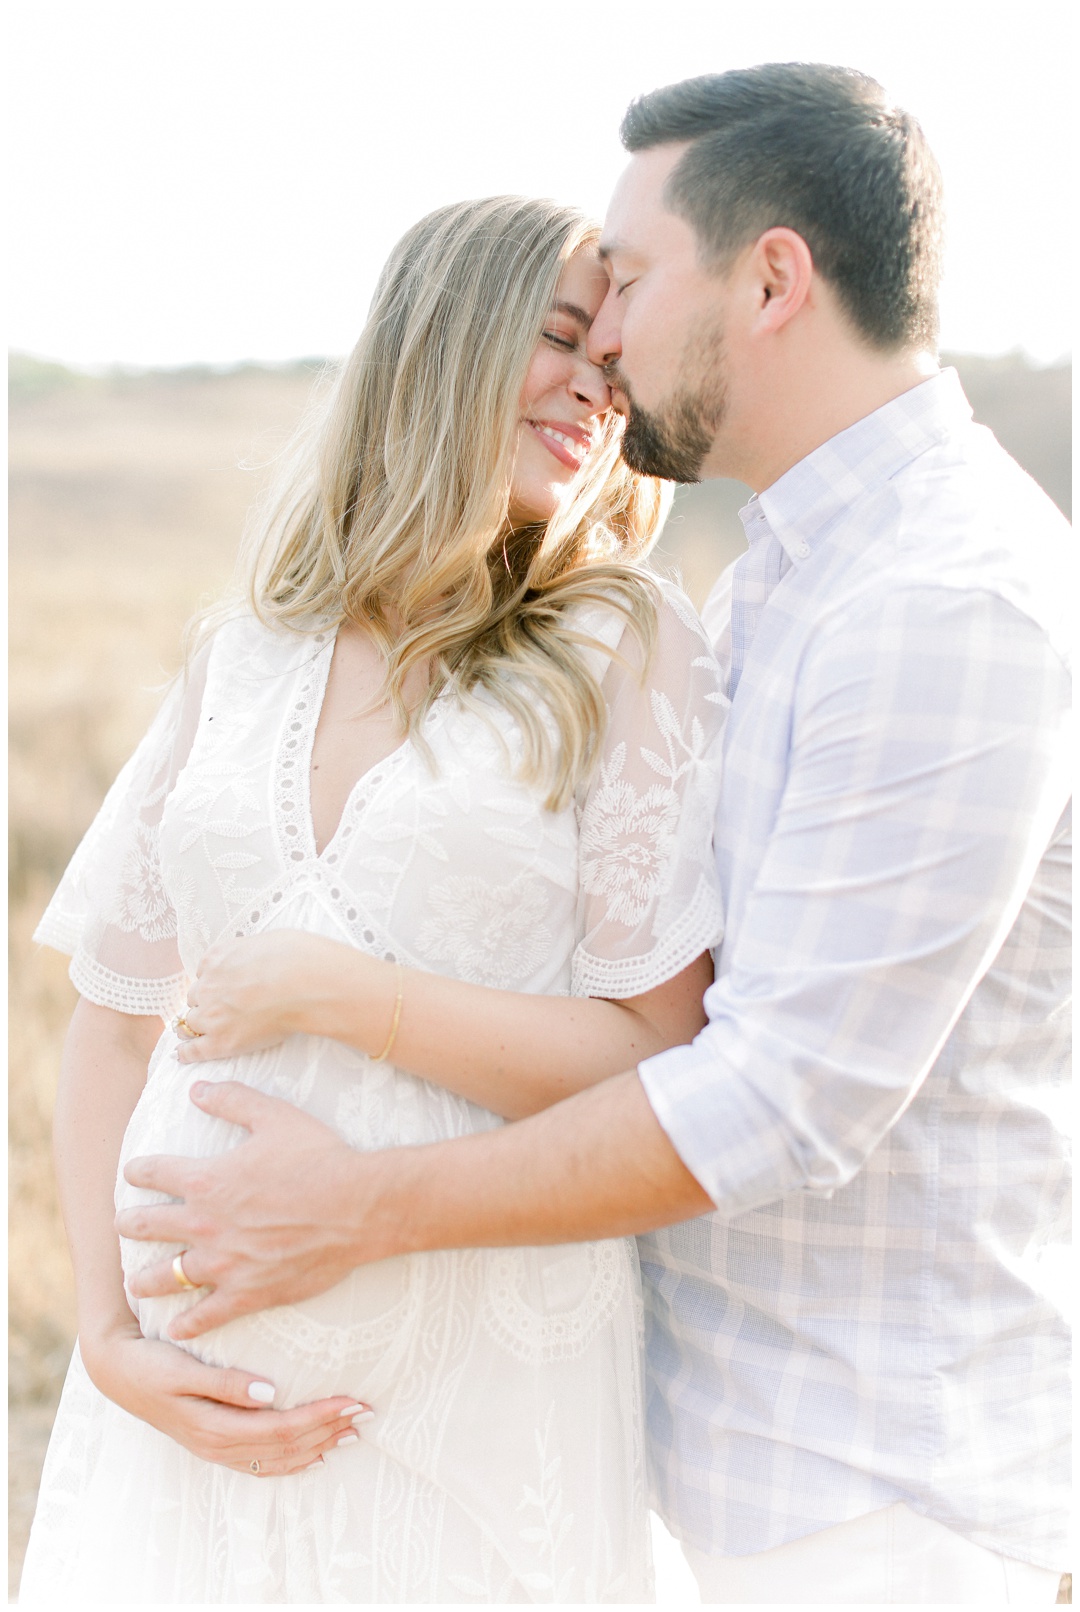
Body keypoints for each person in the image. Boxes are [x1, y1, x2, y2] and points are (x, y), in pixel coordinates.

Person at [117, 65, 1072, 1605]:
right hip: (719, 1457)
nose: (606, 339)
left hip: (883, 1496)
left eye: (623, 281)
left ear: (771, 279)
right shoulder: (786, 575)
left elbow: (780, 1098)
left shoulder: (940, 600)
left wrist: (358, 1207)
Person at [20, 195, 730, 1602]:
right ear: (445, 341)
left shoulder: (622, 644)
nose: (596, 386)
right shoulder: (248, 655)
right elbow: (109, 1026)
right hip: (195, 1405)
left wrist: (359, 1001)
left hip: (479, 1387)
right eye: (563, 338)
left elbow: (666, 1054)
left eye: (618, 368)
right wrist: (107, 1336)